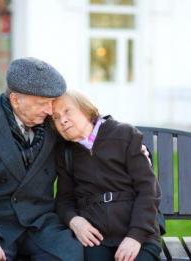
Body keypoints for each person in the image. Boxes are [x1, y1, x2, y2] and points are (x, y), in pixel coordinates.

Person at [0, 58, 83, 261]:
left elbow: (89, 124)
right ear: (16, 99)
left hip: (40, 224)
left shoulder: (53, 122)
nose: (49, 110)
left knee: (71, 256)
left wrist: (126, 145)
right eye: (42, 103)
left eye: (52, 102)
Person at [52, 91, 162, 261]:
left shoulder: (124, 134)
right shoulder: (66, 152)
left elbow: (148, 190)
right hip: (96, 238)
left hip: (139, 233)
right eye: (55, 118)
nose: (62, 120)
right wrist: (74, 221)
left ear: (86, 109)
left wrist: (136, 236)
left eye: (67, 111)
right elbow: (64, 201)